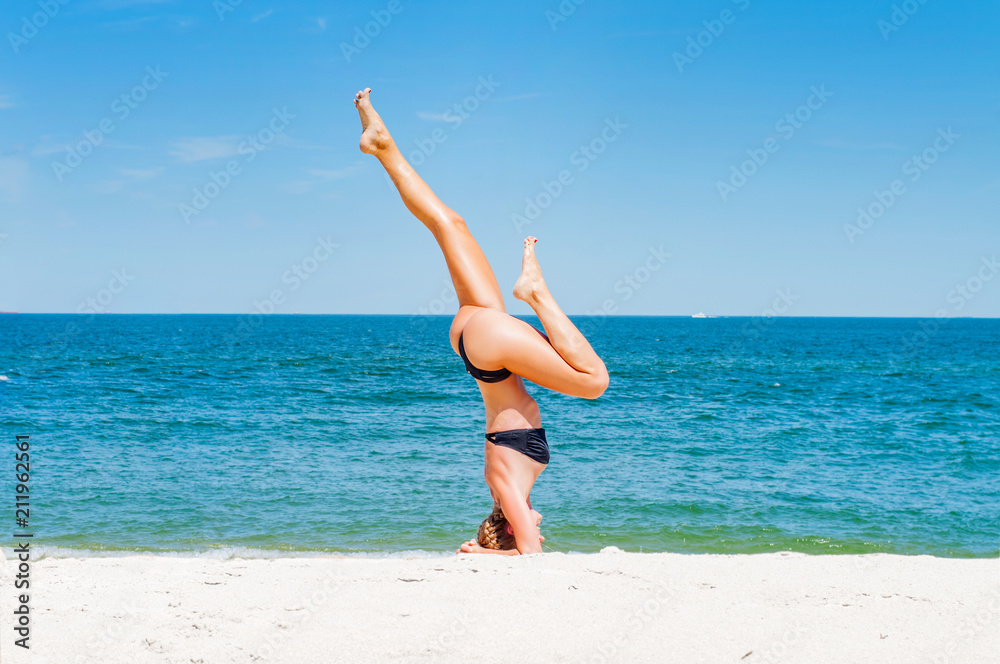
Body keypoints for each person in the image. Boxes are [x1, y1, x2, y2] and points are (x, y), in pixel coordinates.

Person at [354, 88, 609, 555]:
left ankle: (536, 293)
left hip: (490, 347)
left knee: (594, 383)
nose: (540, 524)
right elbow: (521, 545)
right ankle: (382, 146)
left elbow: (533, 553)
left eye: (524, 525)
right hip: (484, 346)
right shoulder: (514, 488)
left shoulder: (504, 486)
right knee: (451, 225)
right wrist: (494, 550)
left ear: (509, 524)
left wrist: (498, 551)